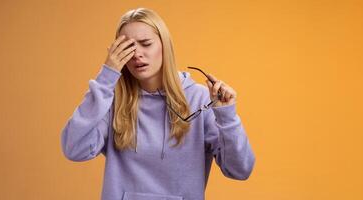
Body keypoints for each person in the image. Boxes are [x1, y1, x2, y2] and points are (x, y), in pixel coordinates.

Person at [61, 7, 255, 200]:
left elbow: (240, 170)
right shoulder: (112, 101)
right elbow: (74, 149)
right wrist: (105, 79)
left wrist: (227, 117)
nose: (137, 54)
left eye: (146, 43)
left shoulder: (200, 99)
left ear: (165, 46)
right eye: (127, 47)